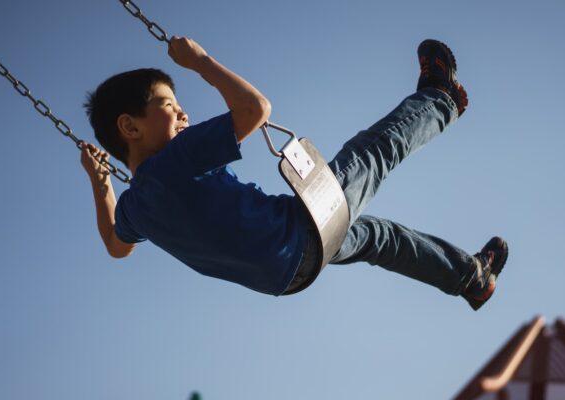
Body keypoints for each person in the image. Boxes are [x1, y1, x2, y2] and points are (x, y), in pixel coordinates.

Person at [80, 37, 509, 310]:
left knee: (381, 239)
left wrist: (102, 186)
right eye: (167, 104)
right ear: (130, 127)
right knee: (372, 154)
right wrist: (201, 62)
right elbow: (254, 110)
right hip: (298, 233)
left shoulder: (135, 206)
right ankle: (441, 99)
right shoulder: (175, 161)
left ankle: (471, 278)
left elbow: (117, 246)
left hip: (286, 275)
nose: (182, 111)